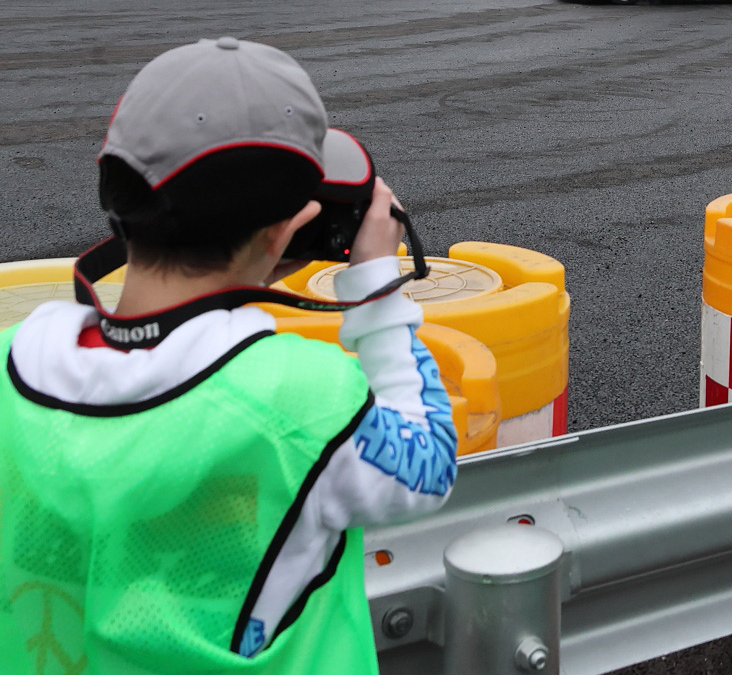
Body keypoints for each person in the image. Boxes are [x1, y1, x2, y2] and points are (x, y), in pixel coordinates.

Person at [0, 37, 456, 671]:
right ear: (288, 232)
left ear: (120, 202)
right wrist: (376, 291)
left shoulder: (10, 364)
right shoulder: (303, 402)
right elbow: (426, 463)